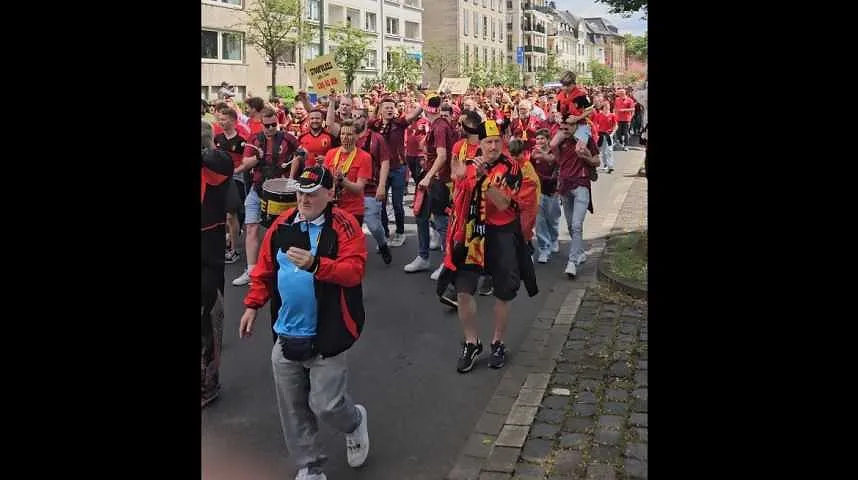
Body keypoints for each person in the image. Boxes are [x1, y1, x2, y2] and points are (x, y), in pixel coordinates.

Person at [239, 165, 370, 480]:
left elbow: (354, 271)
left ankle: (354, 422)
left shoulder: (344, 225)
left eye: (312, 193)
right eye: (300, 193)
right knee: (294, 409)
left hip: (329, 332)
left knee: (326, 405)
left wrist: (316, 265)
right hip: (287, 333)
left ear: (329, 193)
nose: (304, 199)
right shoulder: (282, 226)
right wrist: (253, 305)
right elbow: (265, 271)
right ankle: (310, 466)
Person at [437, 119, 538, 373]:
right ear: (478, 144)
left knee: (503, 293)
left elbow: (504, 203)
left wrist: (484, 178)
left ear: (503, 141)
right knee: (462, 291)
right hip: (473, 234)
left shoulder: (514, 167)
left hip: (502, 233)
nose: (493, 147)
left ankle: (498, 342)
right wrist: (459, 180)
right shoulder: (470, 165)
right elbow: (459, 203)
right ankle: (472, 343)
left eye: (496, 141)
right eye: (487, 142)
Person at [232, 107, 300, 286]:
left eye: (273, 125)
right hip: (258, 188)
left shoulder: (287, 138)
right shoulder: (254, 140)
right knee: (252, 227)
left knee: (284, 230)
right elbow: (246, 163)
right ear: (261, 124)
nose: (270, 128)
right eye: (267, 125)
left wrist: (292, 178)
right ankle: (251, 270)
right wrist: (257, 157)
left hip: (282, 193)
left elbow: (301, 153)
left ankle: (287, 269)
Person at [201, 119, 234, 407]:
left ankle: (208, 383)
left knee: (209, 316)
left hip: (208, 254)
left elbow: (218, 162)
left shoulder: (218, 160)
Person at [550, 118, 601, 278]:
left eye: (570, 126)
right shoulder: (559, 141)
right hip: (565, 186)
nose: (566, 129)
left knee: (577, 225)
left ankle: (572, 262)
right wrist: (554, 144)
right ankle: (579, 252)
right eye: (563, 127)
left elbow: (597, 161)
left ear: (576, 125)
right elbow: (557, 159)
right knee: (571, 226)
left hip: (581, 185)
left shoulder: (586, 139)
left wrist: (585, 157)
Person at [532, 128, 561, 264]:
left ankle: (554, 239)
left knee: (552, 219)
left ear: (548, 140)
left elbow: (557, 170)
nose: (539, 141)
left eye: (542, 138)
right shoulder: (533, 154)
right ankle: (544, 248)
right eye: (537, 139)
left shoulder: (553, 153)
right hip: (538, 192)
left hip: (552, 190)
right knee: (540, 222)